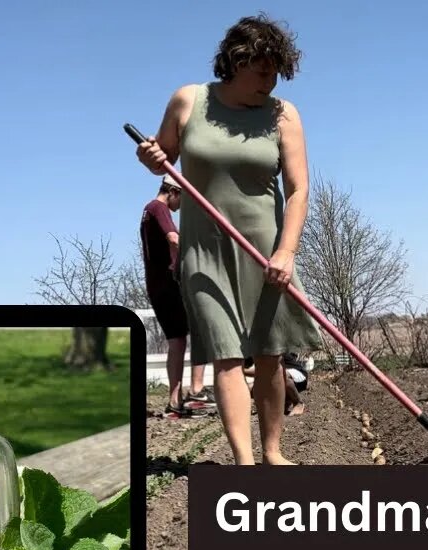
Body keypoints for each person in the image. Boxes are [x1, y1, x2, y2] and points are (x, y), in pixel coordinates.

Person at [135, 14, 322, 465]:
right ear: (237, 62)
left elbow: (298, 190)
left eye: (277, 72)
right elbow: (162, 159)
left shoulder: (283, 115)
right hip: (205, 251)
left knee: (270, 355)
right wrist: (150, 156)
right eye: (263, 71)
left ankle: (273, 452)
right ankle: (245, 461)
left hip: (265, 250)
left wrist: (287, 251)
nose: (271, 81)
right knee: (225, 355)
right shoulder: (189, 101)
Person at [138, 175, 212, 415]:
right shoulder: (158, 208)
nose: (181, 206)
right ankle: (197, 391)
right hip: (170, 285)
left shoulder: (147, 212)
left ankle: (174, 402)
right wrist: (197, 255)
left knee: (177, 340)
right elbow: (172, 238)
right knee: (201, 327)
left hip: (157, 287)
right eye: (182, 198)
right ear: (173, 191)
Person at [243, 352, 308, 416]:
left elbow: (269, 370)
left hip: (297, 375)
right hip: (275, 378)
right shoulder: (252, 349)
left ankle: (298, 403)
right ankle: (284, 402)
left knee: (280, 374)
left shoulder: (272, 347)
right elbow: (245, 366)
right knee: (247, 388)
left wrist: (241, 371)